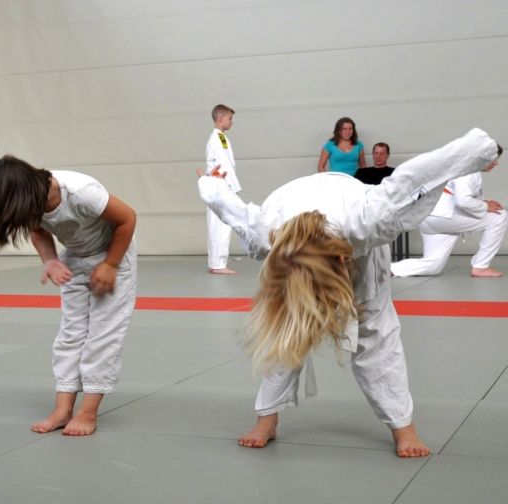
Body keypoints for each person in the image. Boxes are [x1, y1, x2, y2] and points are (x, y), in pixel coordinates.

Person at [198, 128, 500, 457]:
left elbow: (414, 176)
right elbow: (233, 209)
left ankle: (404, 427)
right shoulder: (266, 235)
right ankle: (266, 419)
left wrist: (477, 153)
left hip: (349, 205)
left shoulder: (369, 221)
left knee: (376, 335)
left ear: (343, 259)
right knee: (288, 330)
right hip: (296, 222)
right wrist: (211, 185)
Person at [0, 155, 137, 436]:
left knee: (102, 336)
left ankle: (87, 412)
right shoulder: (32, 201)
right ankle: (63, 410)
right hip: (75, 258)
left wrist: (110, 265)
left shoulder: (81, 193)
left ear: (20, 197)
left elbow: (128, 218)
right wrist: (50, 260)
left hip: (113, 254)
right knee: (71, 335)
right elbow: (38, 229)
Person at [390, 156, 505, 278]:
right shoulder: (469, 169)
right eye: (494, 159)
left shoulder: (454, 165)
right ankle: (481, 266)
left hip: (426, 217)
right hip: (442, 215)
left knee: (433, 266)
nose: (496, 163)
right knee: (500, 216)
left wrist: (485, 202)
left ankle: (386, 269)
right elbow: (463, 200)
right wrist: (485, 206)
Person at [204, 104, 241, 274]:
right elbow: (219, 164)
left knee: (218, 225)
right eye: (229, 119)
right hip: (220, 186)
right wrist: (227, 184)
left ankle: (215, 263)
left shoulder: (220, 138)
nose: (231, 122)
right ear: (220, 119)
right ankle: (218, 265)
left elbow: (223, 163)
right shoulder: (217, 139)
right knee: (221, 225)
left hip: (221, 185)